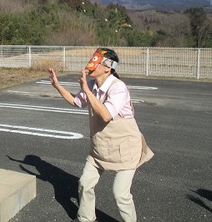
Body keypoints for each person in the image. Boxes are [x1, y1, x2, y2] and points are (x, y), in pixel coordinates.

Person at [48, 48, 154, 222]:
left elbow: (106, 115)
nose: (92, 62)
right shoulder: (91, 85)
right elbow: (76, 102)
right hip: (101, 148)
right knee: (85, 183)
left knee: (120, 194)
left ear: (108, 67)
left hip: (125, 149)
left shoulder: (118, 87)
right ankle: (85, 218)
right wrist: (57, 86)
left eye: (97, 59)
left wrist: (87, 91)